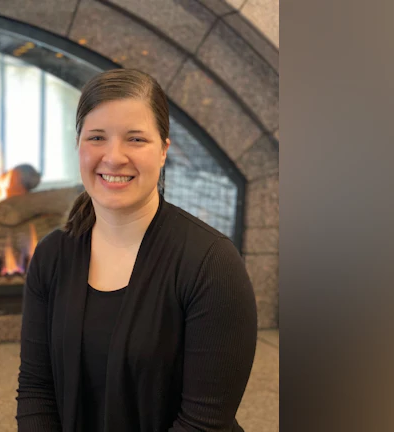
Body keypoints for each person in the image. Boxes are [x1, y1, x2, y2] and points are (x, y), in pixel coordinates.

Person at [16, 68, 257, 432]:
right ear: (78, 146)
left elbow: (203, 423)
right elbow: (36, 391)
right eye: (97, 137)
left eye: (135, 139)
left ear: (163, 151)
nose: (114, 157)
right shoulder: (52, 256)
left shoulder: (212, 264)